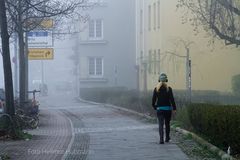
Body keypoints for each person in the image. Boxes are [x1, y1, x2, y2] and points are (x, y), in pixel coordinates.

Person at [152, 73, 176, 144]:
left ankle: (161, 139)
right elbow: (172, 99)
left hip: (160, 109)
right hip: (168, 110)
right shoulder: (169, 89)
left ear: (159, 80)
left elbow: (153, 100)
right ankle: (167, 138)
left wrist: (155, 107)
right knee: (167, 124)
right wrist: (174, 108)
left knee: (160, 124)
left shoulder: (156, 89)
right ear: (166, 80)